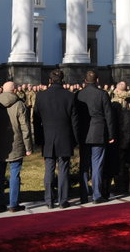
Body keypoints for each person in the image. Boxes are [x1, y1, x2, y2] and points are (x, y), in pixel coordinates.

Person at [35, 70, 77, 209]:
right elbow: (74, 121)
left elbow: (36, 119)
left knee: (49, 169)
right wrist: (75, 139)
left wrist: (39, 139)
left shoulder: (41, 96)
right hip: (64, 136)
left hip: (47, 136)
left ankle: (49, 200)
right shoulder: (70, 96)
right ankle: (63, 200)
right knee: (64, 169)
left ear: (50, 80)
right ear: (62, 80)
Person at [0, 81, 33, 213]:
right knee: (14, 173)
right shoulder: (19, 104)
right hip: (16, 142)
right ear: (14, 90)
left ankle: (0, 204)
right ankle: (13, 204)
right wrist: (28, 147)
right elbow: (25, 127)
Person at [75, 71, 115, 204]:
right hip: (98, 132)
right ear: (97, 80)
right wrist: (111, 134)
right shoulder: (102, 94)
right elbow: (109, 116)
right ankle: (96, 195)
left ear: (85, 81)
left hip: (83, 133)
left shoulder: (78, 94)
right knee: (97, 164)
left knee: (84, 165)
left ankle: (83, 195)